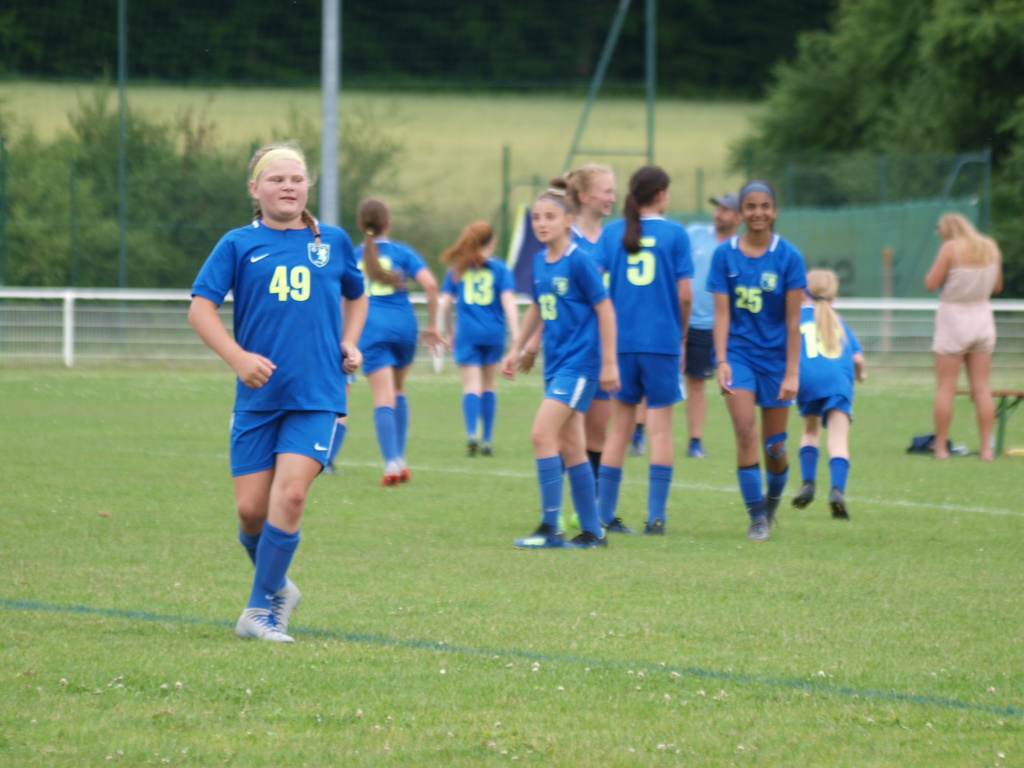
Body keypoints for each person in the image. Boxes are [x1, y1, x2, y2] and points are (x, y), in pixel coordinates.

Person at [188, 143, 368, 642]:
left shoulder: (333, 241)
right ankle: (277, 587)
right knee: (251, 511)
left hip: (318, 393)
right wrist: (238, 358)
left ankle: (258, 609)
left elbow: (357, 296)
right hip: (259, 398)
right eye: (276, 179)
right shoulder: (237, 243)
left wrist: (351, 341)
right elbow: (200, 309)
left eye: (296, 179)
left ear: (308, 186)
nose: (288, 186)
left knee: (290, 495)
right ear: (255, 189)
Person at [501, 184, 620, 549]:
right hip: (555, 365)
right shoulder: (540, 262)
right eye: (536, 217)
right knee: (572, 446)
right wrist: (517, 347)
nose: (541, 223)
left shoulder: (579, 260)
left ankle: (550, 527)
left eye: (550, 217)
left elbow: (605, 309)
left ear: (569, 220)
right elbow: (539, 306)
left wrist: (609, 363)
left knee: (542, 434)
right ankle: (593, 532)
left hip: (580, 365)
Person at [594, 165, 693, 536]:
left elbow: (593, 283)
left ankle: (605, 515)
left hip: (620, 344)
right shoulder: (675, 234)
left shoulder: (612, 232)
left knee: (619, 429)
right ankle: (655, 519)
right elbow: (685, 295)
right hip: (661, 343)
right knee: (660, 430)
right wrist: (682, 335)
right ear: (662, 194)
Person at [708, 179, 806, 542]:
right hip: (739, 356)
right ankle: (757, 519)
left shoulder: (789, 257)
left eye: (765, 206)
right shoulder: (724, 255)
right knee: (746, 431)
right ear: (741, 213)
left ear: (774, 211)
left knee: (774, 446)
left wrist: (792, 372)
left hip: (777, 361)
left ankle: (771, 504)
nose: (758, 213)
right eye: (750, 207)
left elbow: (794, 322)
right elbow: (721, 315)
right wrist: (722, 360)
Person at [355, 197, 442, 485]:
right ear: (388, 224)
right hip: (404, 326)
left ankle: (391, 463)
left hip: (371, 328)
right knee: (398, 391)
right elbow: (431, 285)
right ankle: (401, 460)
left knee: (383, 397)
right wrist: (433, 325)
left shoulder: (355, 255)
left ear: (361, 225)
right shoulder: (403, 252)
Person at [925, 212, 1003, 460]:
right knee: (981, 388)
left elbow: (931, 283)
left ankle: (940, 447)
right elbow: (997, 287)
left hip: (954, 319)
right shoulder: (990, 247)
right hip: (982, 318)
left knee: (946, 388)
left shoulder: (951, 249)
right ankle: (986, 449)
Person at [791, 269, 867, 519]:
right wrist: (861, 375)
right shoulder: (838, 321)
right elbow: (857, 358)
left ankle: (808, 483)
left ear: (803, 292)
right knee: (838, 441)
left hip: (808, 380)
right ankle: (837, 491)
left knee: (810, 432)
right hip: (839, 382)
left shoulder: (797, 317)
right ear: (834, 296)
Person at [439, 221, 519, 456]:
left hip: (467, 334)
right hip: (494, 333)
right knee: (489, 386)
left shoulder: (458, 269)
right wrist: (516, 335)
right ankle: (487, 441)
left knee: (471, 387)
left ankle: (472, 434)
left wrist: (450, 331)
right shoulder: (500, 269)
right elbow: (509, 302)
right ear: (491, 241)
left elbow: (445, 304)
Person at [684, 193, 742, 458]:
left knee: (730, 383)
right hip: (688, 322)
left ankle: (742, 435)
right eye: (718, 208)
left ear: (738, 217)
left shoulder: (740, 247)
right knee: (691, 381)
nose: (718, 214)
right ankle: (693, 441)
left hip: (721, 326)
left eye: (725, 210)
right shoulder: (694, 234)